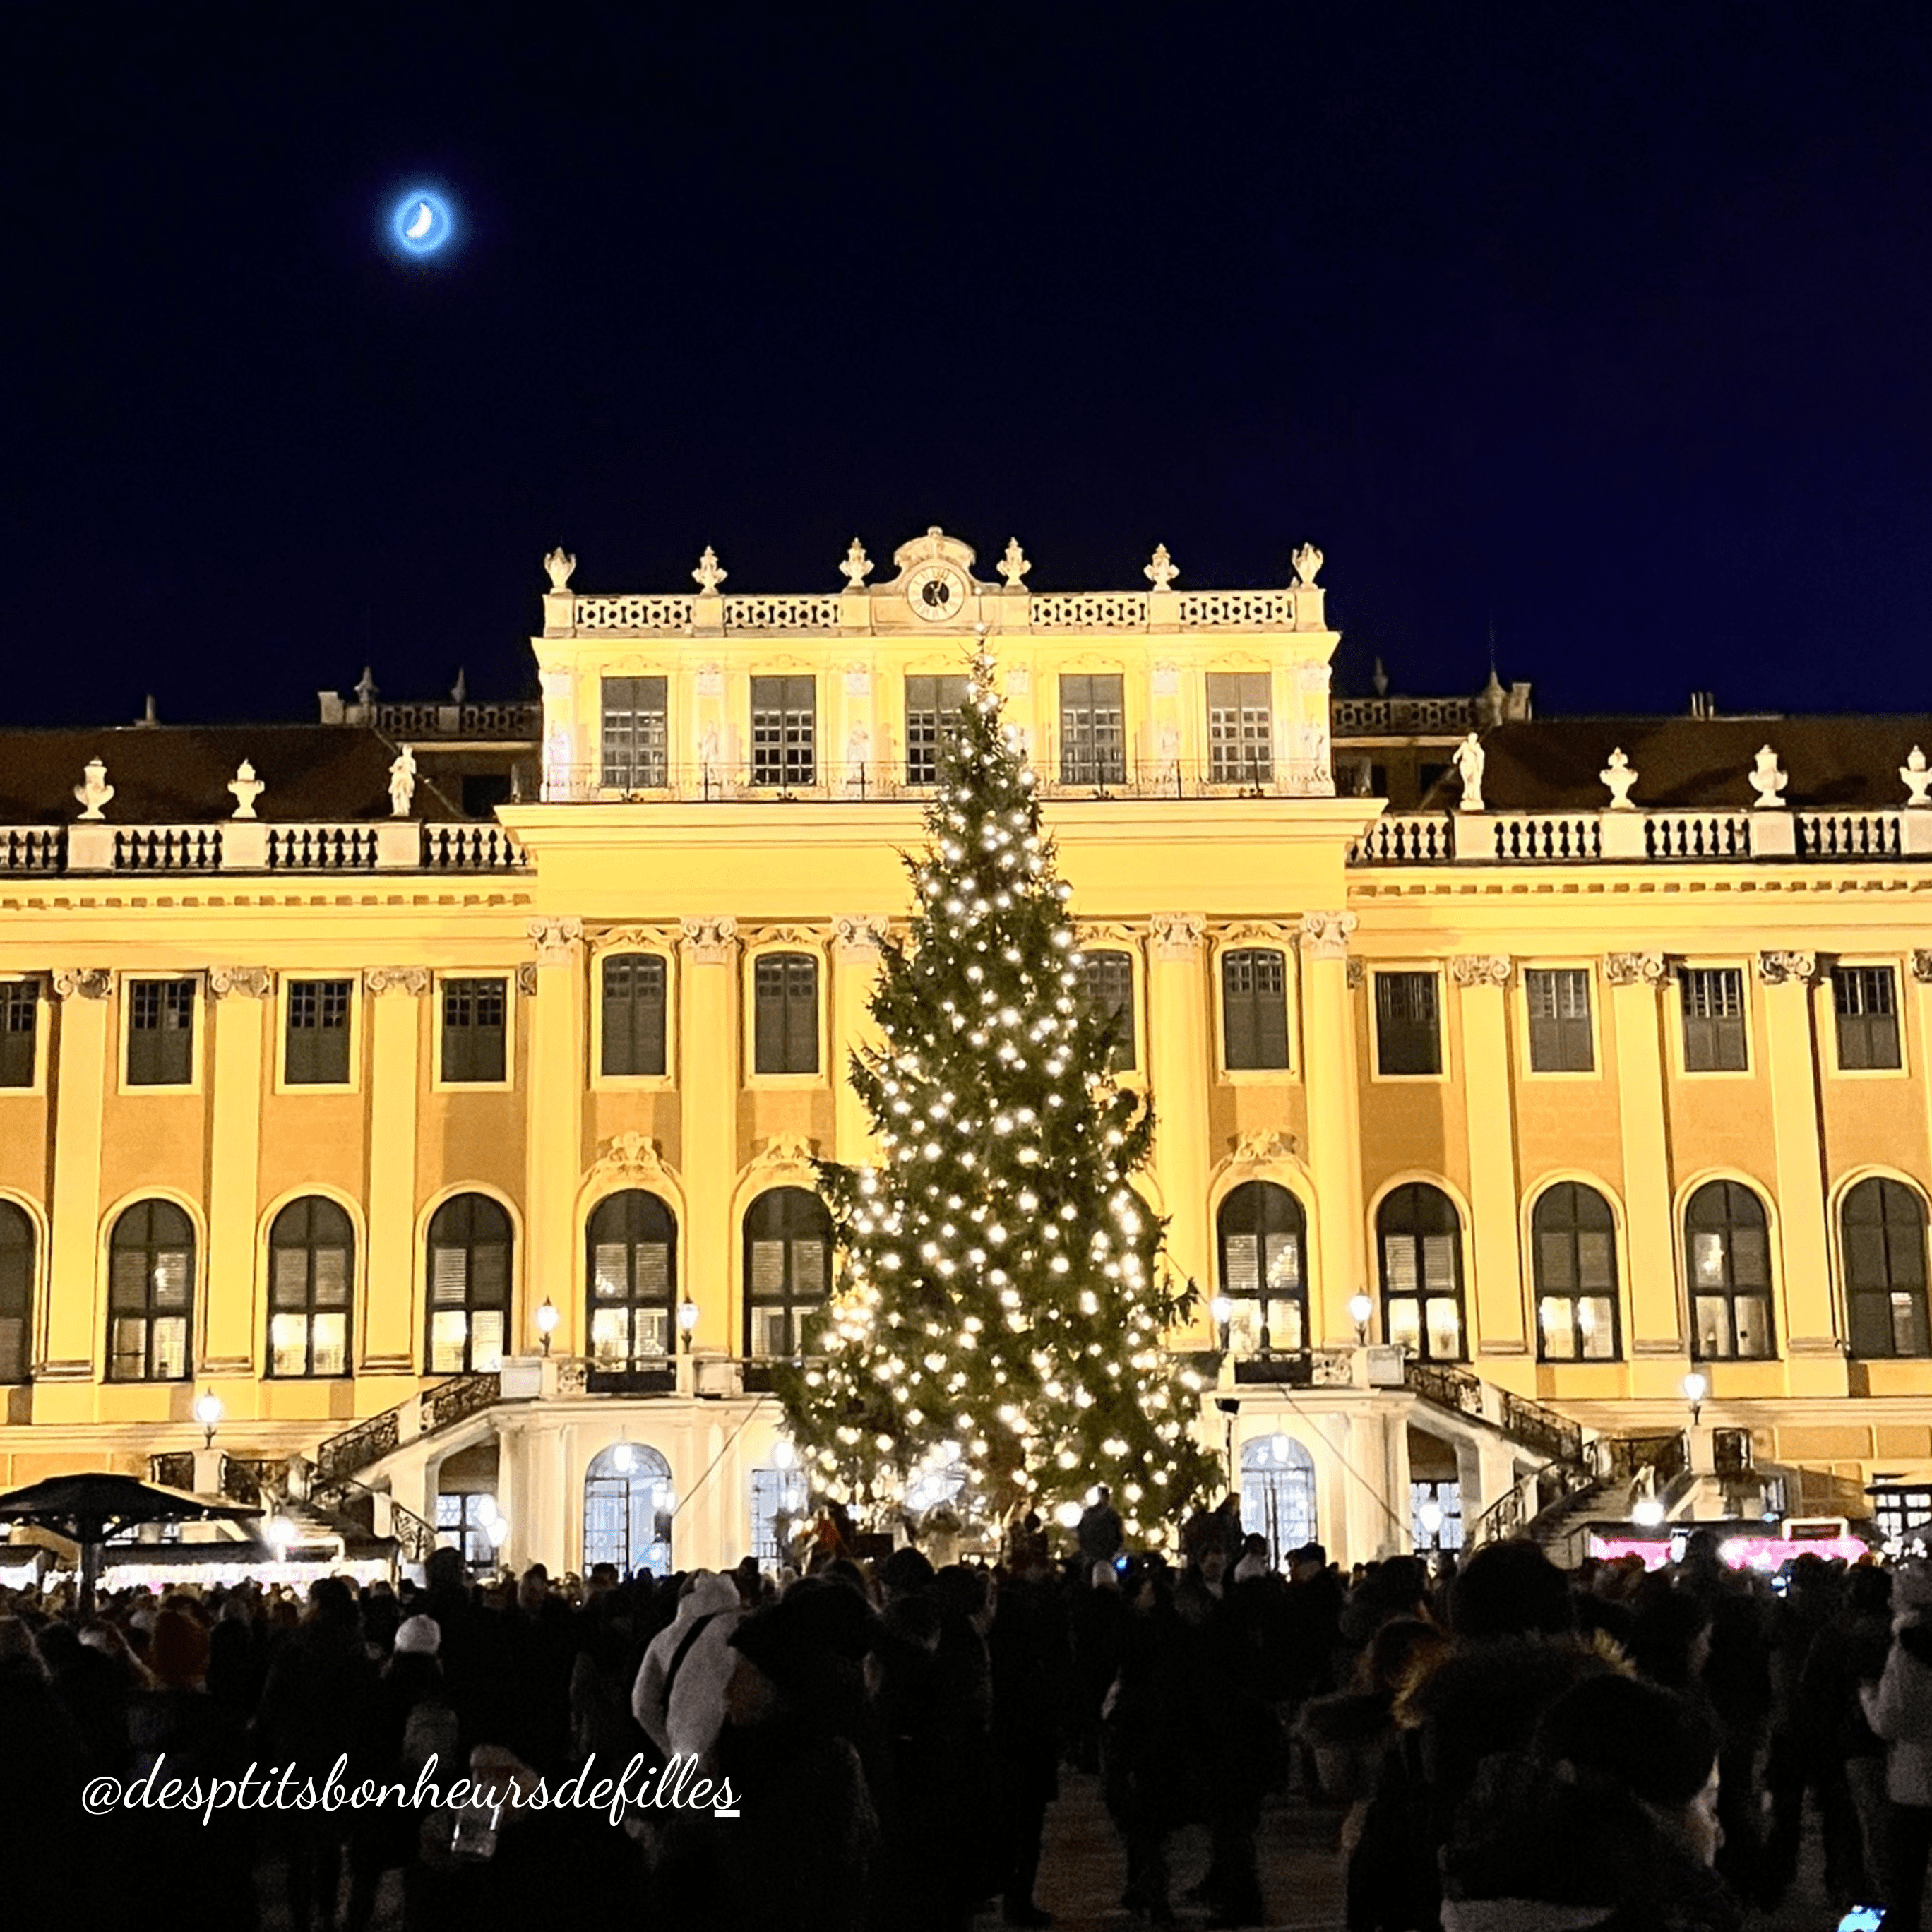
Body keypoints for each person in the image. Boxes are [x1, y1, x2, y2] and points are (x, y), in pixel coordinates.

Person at [1078, 1486, 1124, 1571]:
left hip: (1105, 1554)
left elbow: (1118, 1534)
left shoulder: (1110, 1514)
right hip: (1094, 1554)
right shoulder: (1087, 1515)